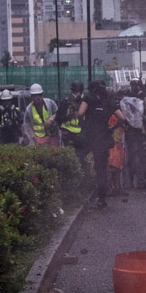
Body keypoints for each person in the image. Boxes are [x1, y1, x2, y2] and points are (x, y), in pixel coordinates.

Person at [82, 80, 121, 208]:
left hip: (90, 139)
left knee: (83, 162)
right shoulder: (109, 102)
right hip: (104, 139)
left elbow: (80, 113)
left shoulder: (88, 99)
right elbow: (123, 118)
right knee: (101, 170)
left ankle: (85, 194)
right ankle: (101, 198)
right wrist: (112, 127)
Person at [58, 81, 88, 166]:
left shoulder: (86, 103)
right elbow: (59, 117)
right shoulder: (65, 102)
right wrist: (69, 116)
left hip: (81, 135)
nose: (77, 94)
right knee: (68, 158)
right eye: (75, 92)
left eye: (79, 92)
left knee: (81, 158)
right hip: (68, 134)